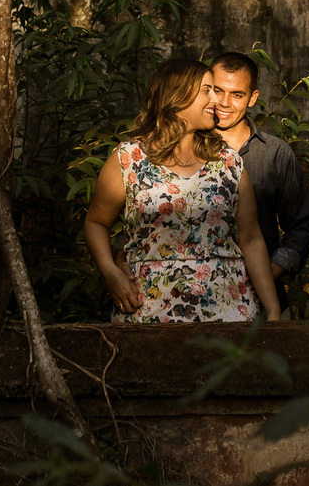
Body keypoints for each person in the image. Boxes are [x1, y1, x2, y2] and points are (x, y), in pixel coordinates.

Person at [114, 52, 309, 313]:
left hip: (258, 300)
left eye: (237, 95)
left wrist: (267, 273)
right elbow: (144, 216)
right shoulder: (168, 149)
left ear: (253, 98)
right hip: (173, 303)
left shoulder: (273, 154)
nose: (222, 102)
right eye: (216, 90)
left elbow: (301, 224)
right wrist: (120, 260)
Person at [84, 59, 281, 322]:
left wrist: (273, 310)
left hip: (230, 315)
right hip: (149, 315)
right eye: (207, 91)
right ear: (176, 98)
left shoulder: (228, 162)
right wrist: (110, 271)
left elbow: (251, 238)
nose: (218, 100)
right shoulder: (128, 158)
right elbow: (96, 222)